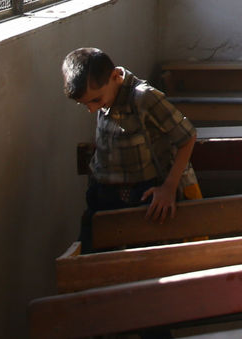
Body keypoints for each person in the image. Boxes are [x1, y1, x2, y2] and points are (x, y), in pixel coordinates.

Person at [62, 47, 198, 252]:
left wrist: (169, 188)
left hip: (142, 198)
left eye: (96, 100)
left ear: (115, 76)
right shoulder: (105, 96)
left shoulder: (143, 98)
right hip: (104, 196)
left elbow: (187, 137)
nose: (91, 109)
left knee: (143, 264)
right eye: (85, 104)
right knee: (95, 262)